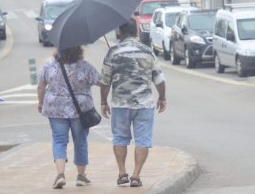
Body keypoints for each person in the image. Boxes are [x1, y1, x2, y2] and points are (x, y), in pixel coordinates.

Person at [100, 19, 167, 188]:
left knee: (120, 139)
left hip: (120, 104)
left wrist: (103, 102)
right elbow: (158, 78)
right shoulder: (147, 51)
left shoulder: (113, 52)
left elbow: (105, 81)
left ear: (120, 32)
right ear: (136, 31)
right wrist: (162, 97)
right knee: (143, 140)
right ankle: (136, 175)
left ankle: (122, 173)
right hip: (144, 104)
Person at [37, 45, 100, 189]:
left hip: (55, 109)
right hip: (80, 110)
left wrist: (41, 102)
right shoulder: (85, 67)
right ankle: (81, 177)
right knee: (80, 141)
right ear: (78, 49)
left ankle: (60, 174)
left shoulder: (49, 66)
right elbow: (101, 82)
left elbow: (40, 86)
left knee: (59, 141)